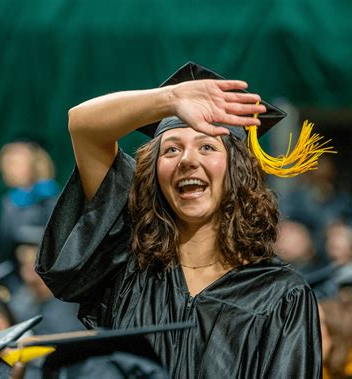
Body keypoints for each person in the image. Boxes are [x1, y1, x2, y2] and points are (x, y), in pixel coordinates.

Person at [36, 62, 322, 378]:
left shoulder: (280, 295)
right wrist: (170, 100)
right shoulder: (128, 265)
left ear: (237, 172)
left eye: (207, 146)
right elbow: (83, 126)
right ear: (154, 174)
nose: (187, 160)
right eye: (171, 149)